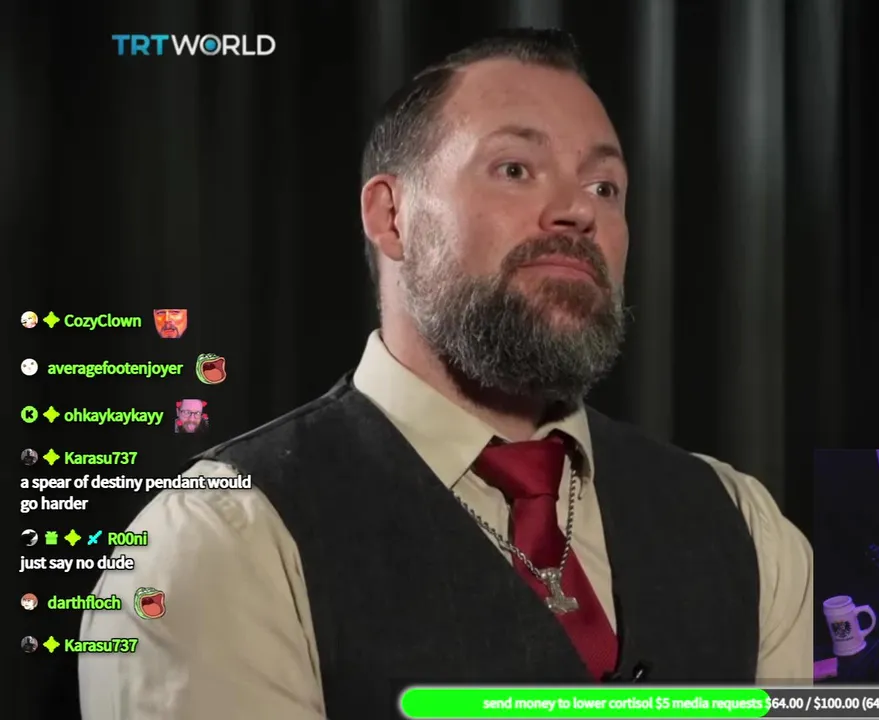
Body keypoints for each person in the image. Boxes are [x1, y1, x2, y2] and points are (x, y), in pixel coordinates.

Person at [79, 28, 812, 720]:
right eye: (515, 169)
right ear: (392, 216)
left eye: (605, 188)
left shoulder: (747, 529)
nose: (576, 212)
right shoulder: (224, 542)